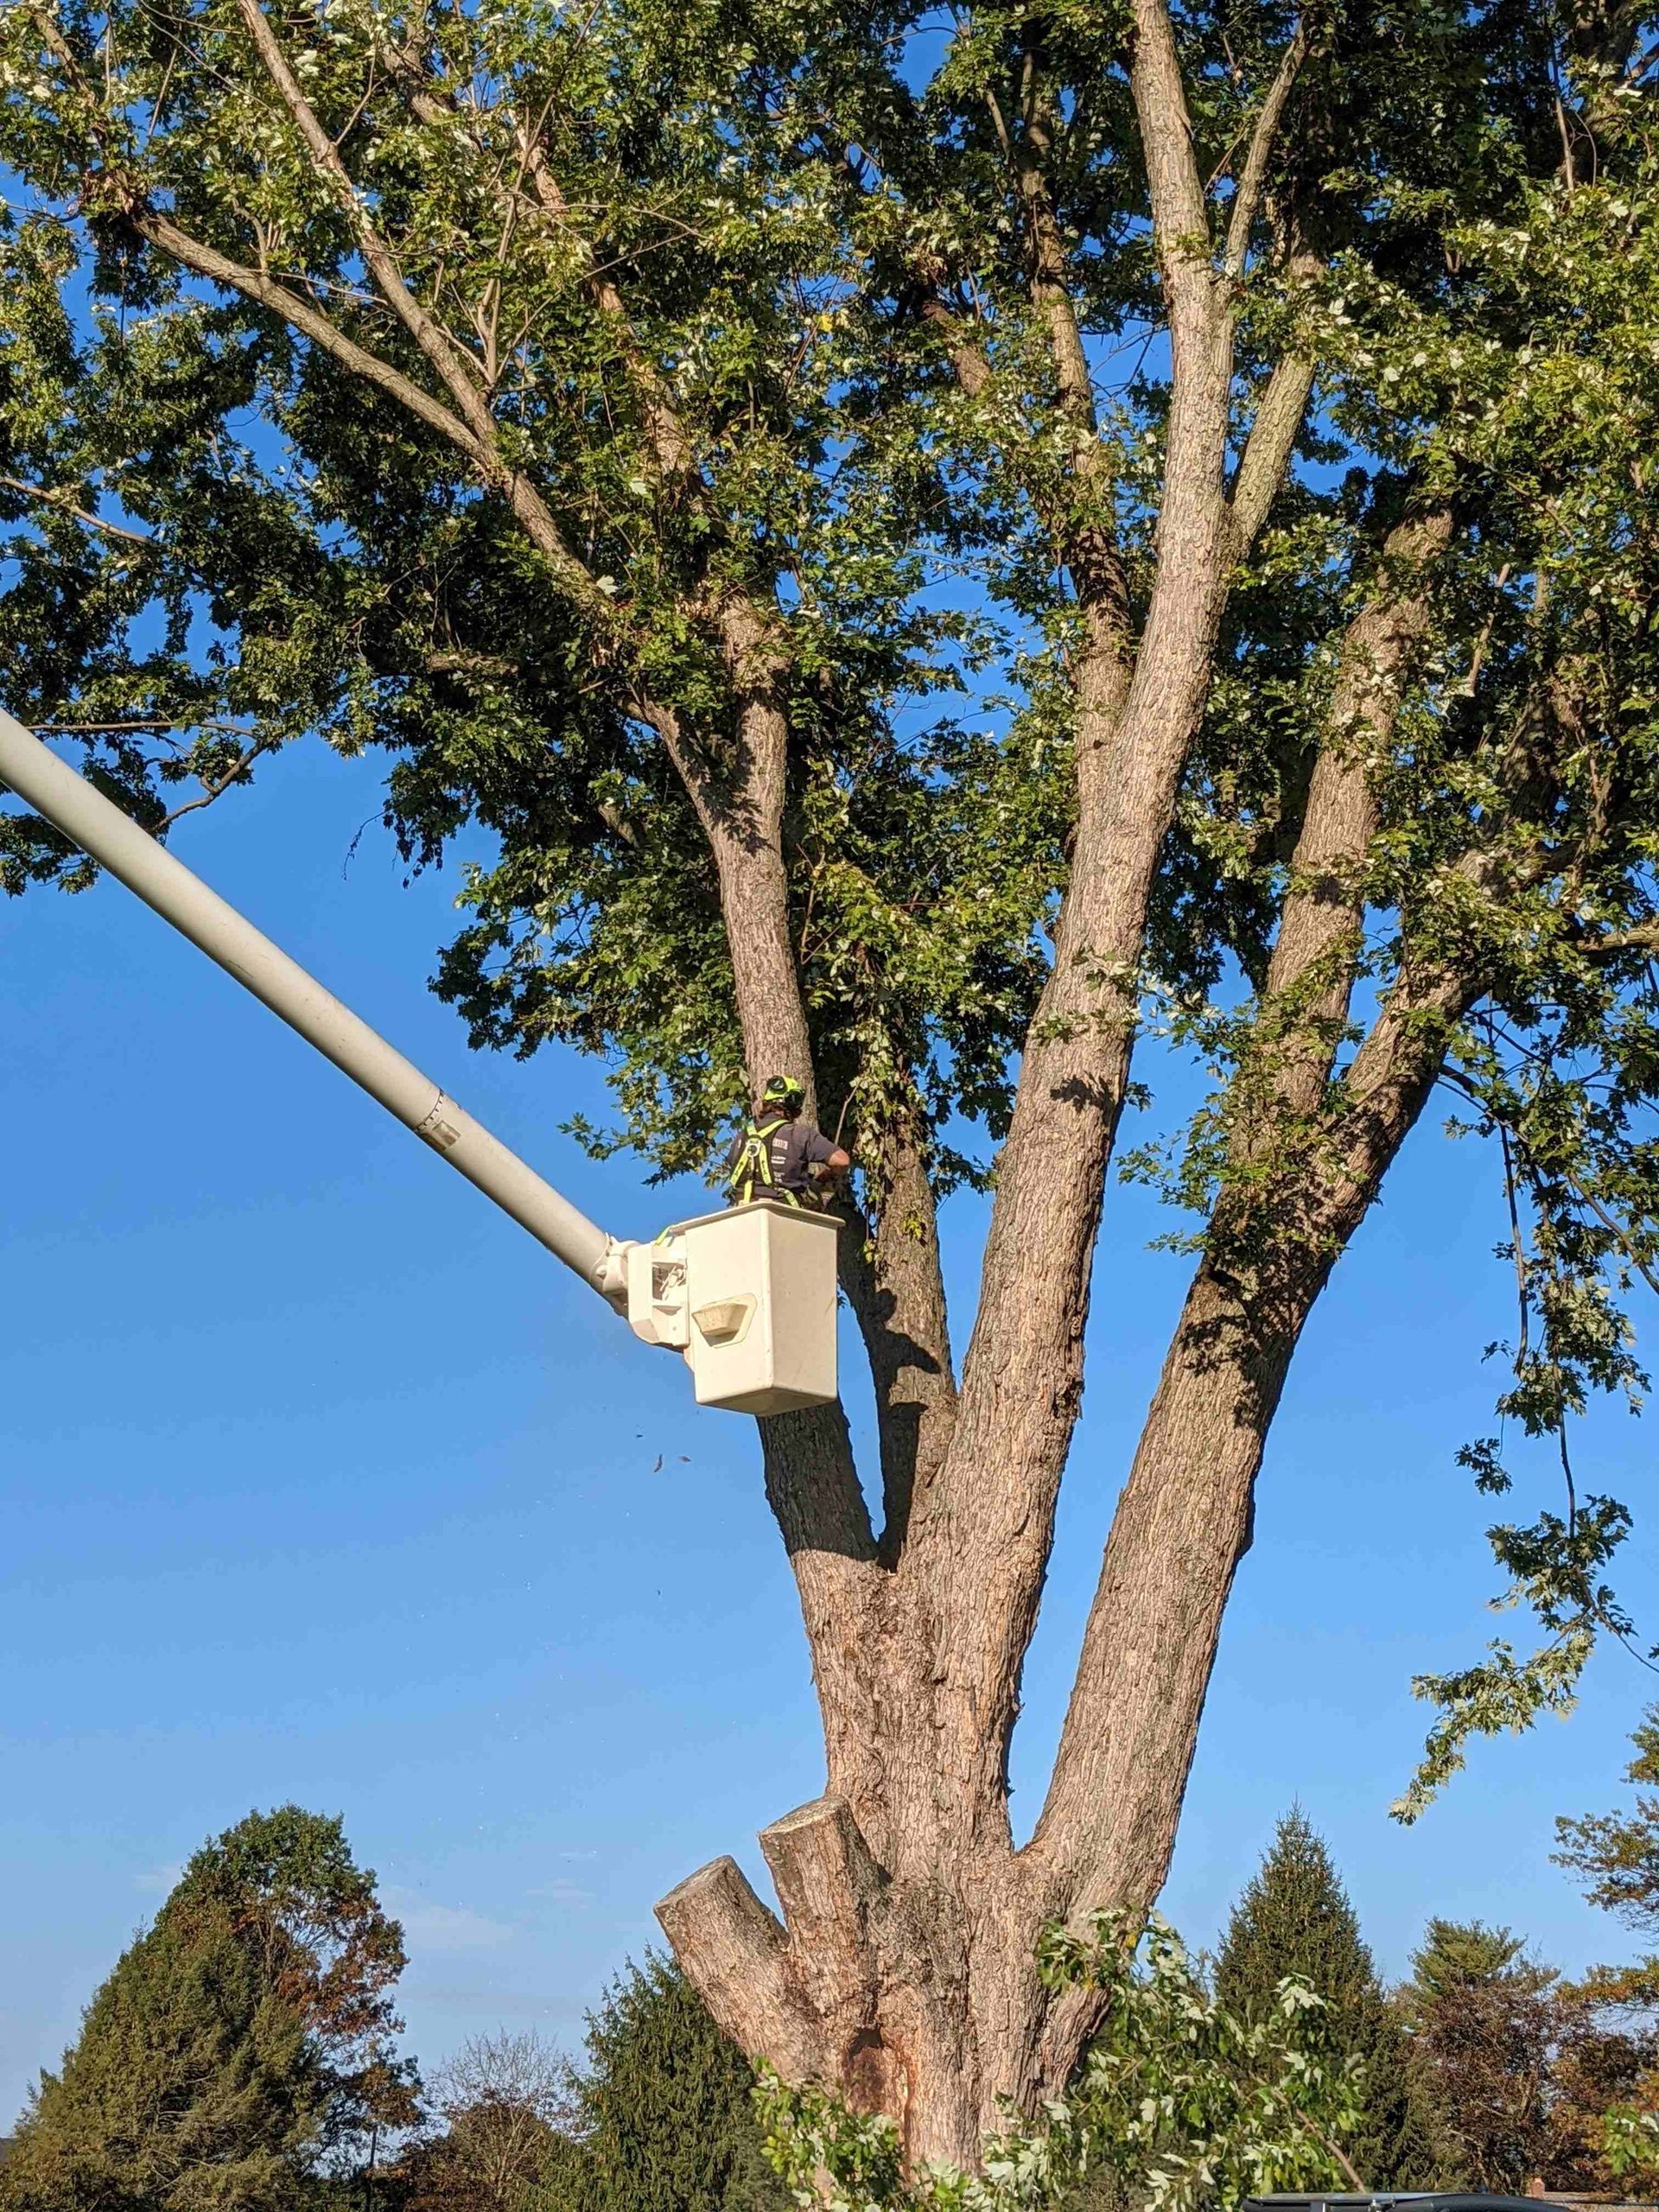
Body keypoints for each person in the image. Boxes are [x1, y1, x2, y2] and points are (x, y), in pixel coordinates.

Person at [725, 1075, 850, 1209]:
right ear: (793, 1102)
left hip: (742, 1212)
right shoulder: (799, 1134)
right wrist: (827, 1175)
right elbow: (842, 1161)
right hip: (784, 1213)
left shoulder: (741, 1137)